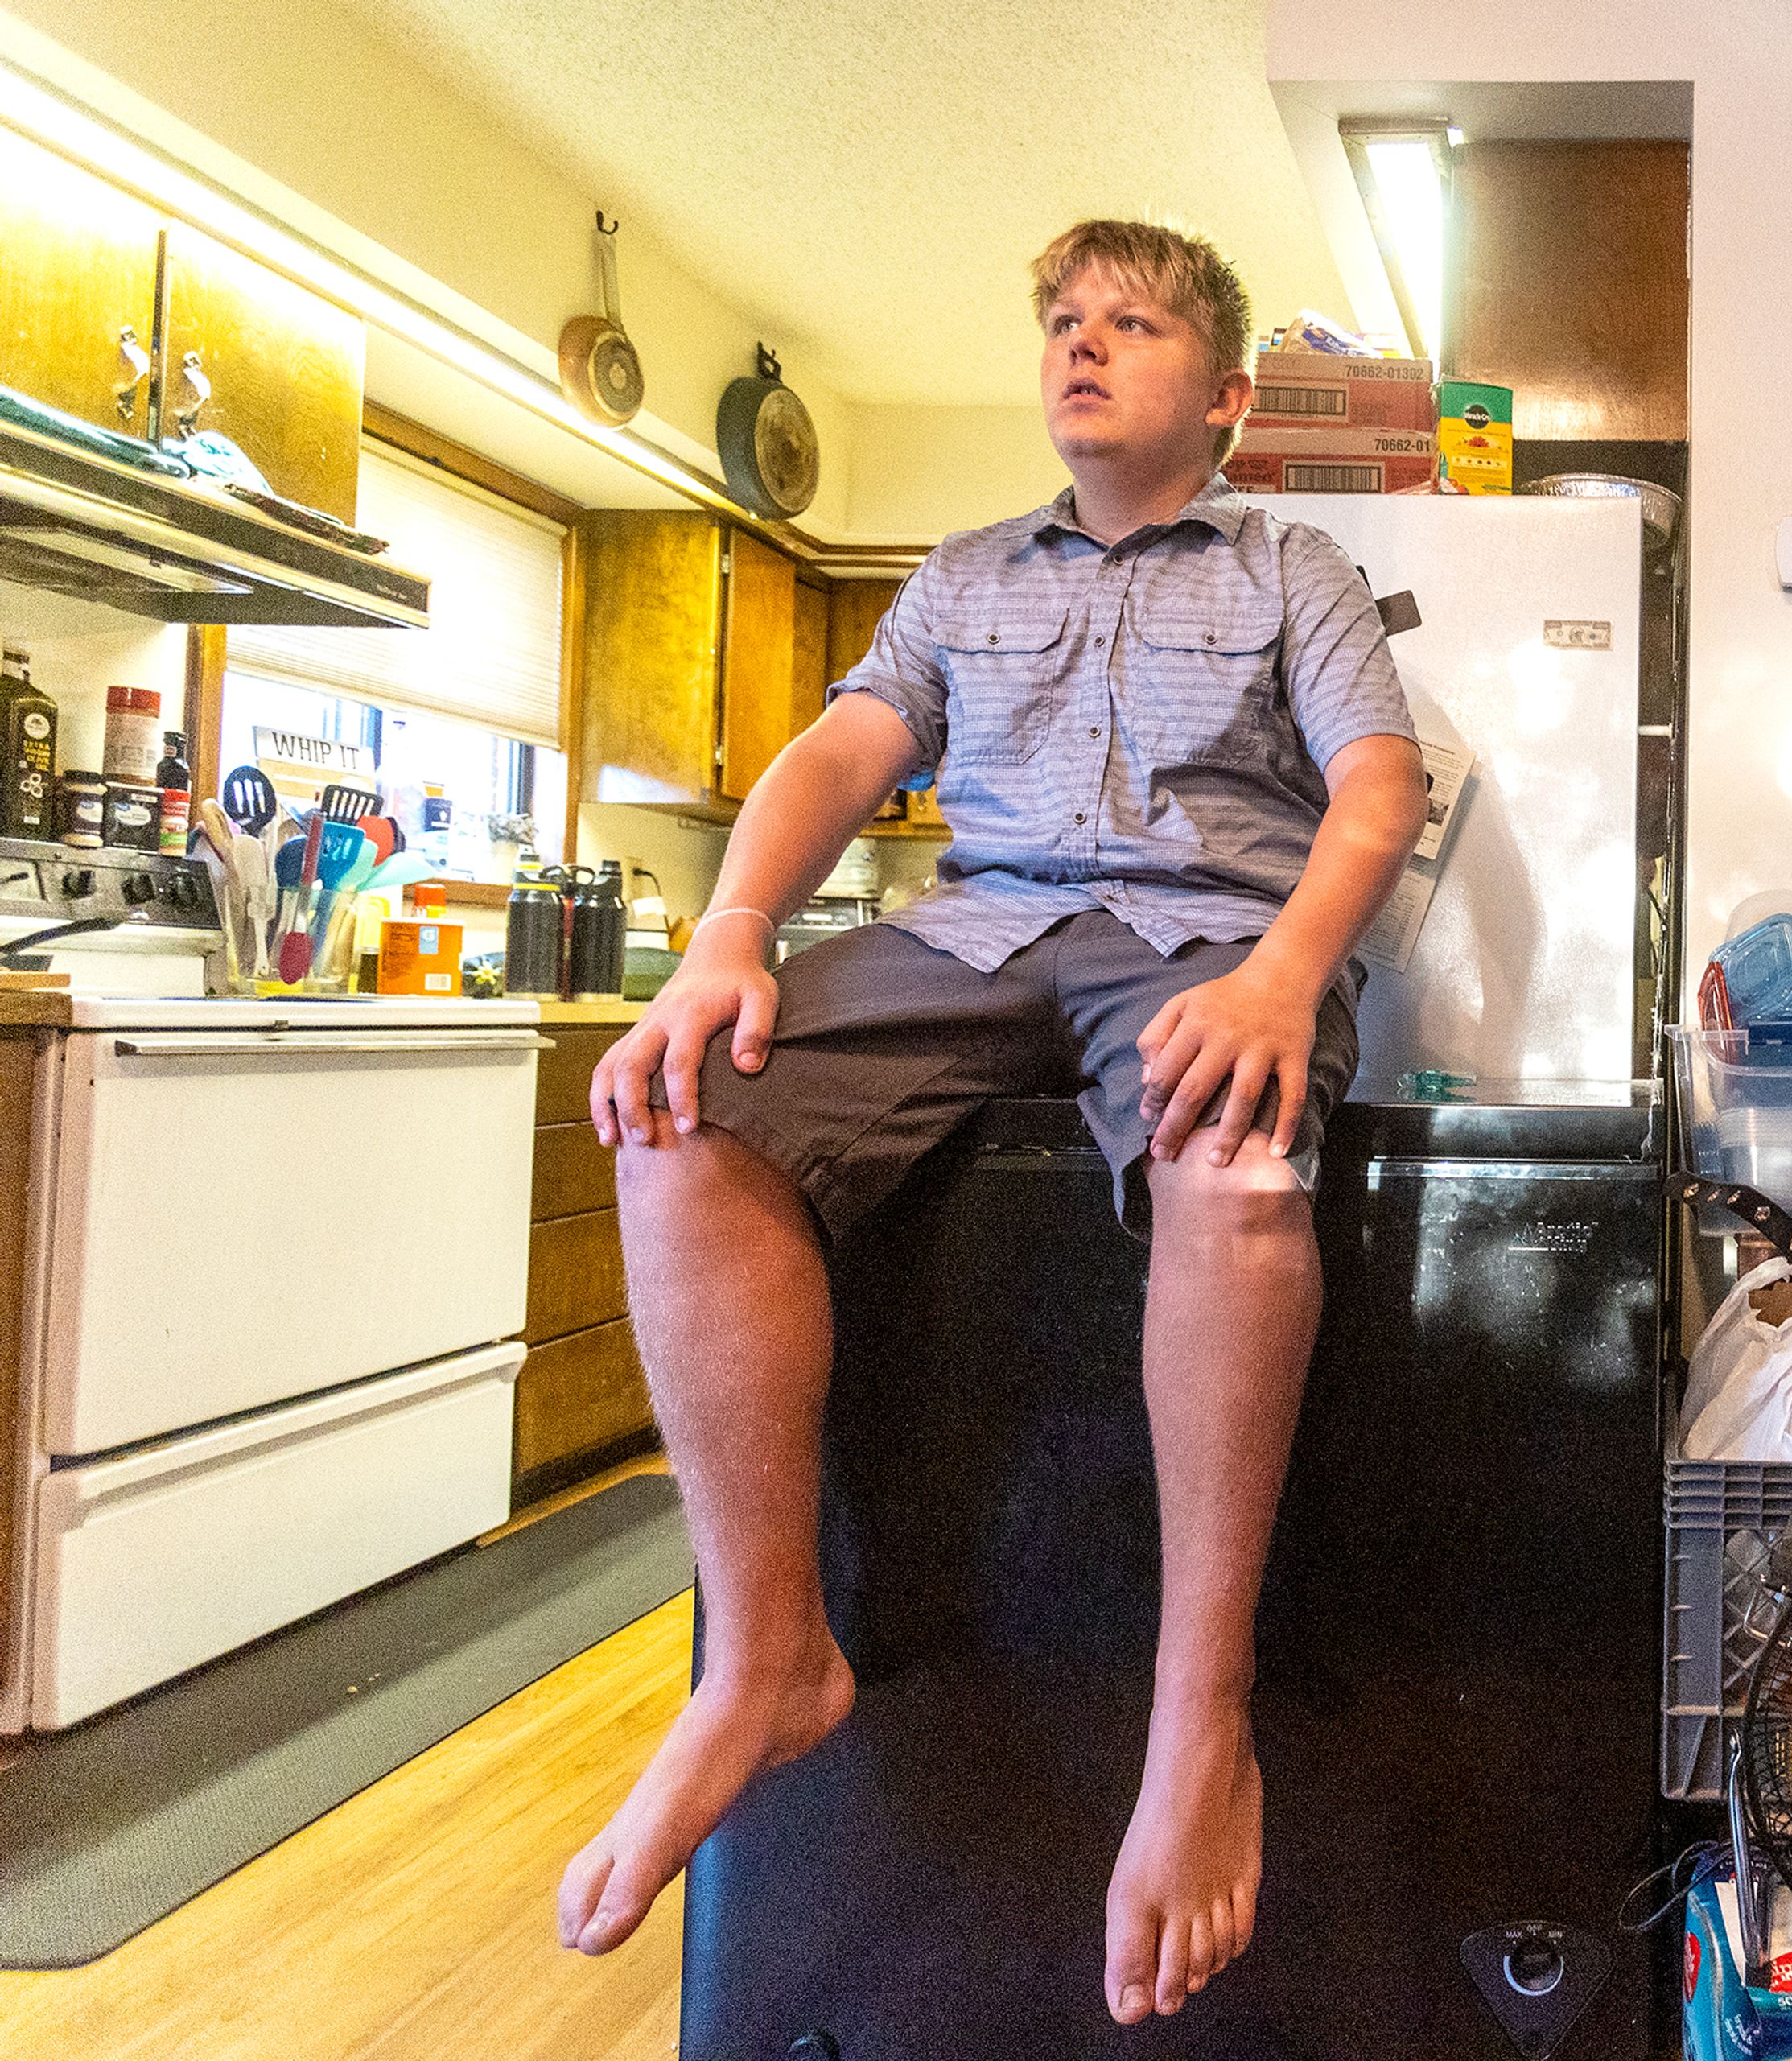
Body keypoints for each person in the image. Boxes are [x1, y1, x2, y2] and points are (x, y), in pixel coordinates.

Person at [553, 217, 1431, 2031]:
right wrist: (728, 939)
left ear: (1230, 397)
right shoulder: (960, 577)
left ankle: (1200, 1728)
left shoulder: (1297, 566)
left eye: (1130, 323)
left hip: (1205, 943)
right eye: (1060, 320)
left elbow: (1379, 785)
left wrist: (1286, 979)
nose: (1080, 346)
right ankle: (768, 1655)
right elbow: (837, 759)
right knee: (679, 1108)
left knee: (1239, 1157)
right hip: (977, 935)